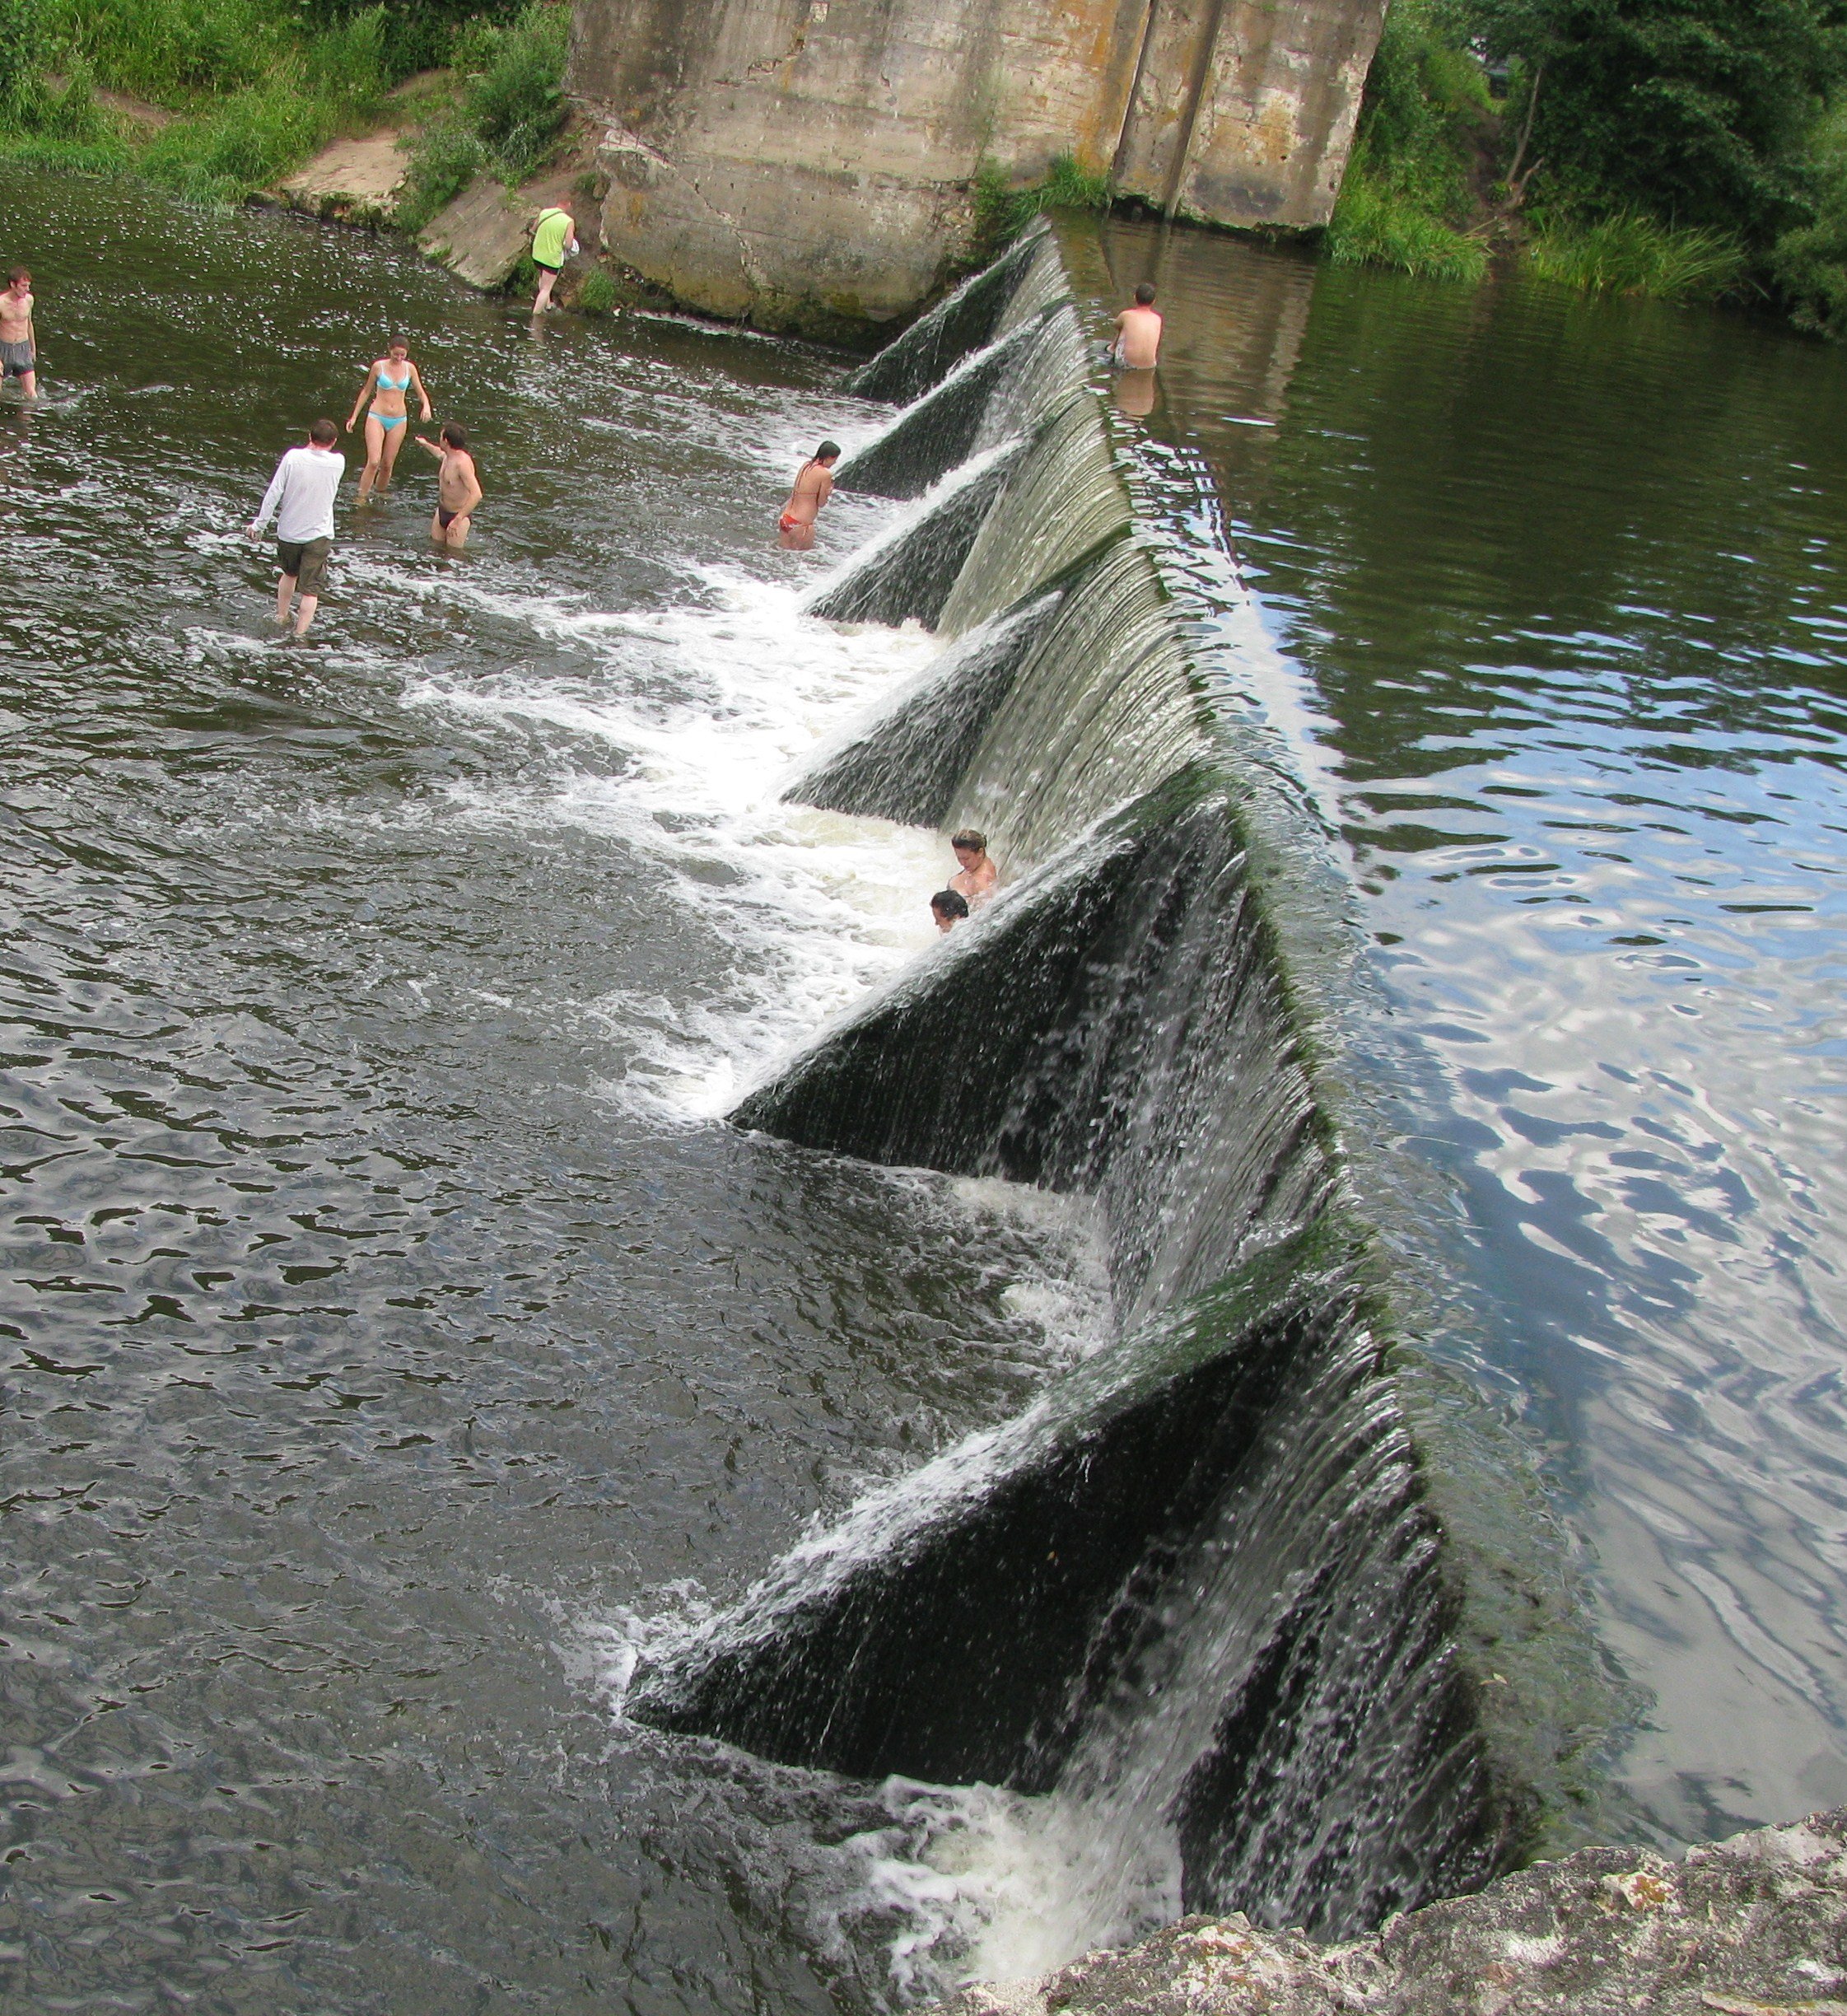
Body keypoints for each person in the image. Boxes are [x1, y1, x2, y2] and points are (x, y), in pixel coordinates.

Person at [247, 418, 346, 637]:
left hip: (289, 533)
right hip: (319, 535)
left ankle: (281, 616)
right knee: (310, 590)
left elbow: (274, 493)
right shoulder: (339, 462)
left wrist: (259, 524)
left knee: (289, 574)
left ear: (310, 437)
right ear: (334, 441)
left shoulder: (293, 458)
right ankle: (300, 635)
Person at [345, 336, 431, 502]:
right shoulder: (379, 367)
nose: (399, 358)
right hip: (377, 416)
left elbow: (421, 392)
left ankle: (379, 495)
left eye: (402, 355)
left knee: (387, 464)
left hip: (399, 419)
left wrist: (426, 406)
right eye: (396, 354)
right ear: (389, 350)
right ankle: (361, 497)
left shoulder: (410, 369)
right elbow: (366, 391)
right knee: (374, 461)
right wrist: (354, 416)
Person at [415, 422, 483, 549]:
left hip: (458, 516)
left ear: (446, 441)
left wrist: (458, 520)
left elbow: (477, 494)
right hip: (442, 511)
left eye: (440, 436)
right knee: (435, 549)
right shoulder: (448, 456)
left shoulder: (462, 464)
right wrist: (424, 444)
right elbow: (438, 453)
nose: (439, 439)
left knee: (452, 556)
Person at [777, 441, 840, 551]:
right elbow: (821, 503)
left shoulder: (806, 465)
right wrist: (828, 492)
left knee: (783, 556)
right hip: (802, 523)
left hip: (785, 518)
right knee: (803, 560)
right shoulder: (826, 474)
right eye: (835, 459)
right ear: (829, 457)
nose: (835, 462)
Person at [531, 203, 578, 314]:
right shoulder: (568, 222)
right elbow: (568, 244)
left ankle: (547, 305)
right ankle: (536, 315)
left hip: (537, 255)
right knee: (546, 289)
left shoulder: (545, 212)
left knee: (543, 278)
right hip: (551, 259)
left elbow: (533, 229)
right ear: (569, 204)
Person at [1, 267, 37, 400]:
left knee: (32, 395)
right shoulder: (1, 303)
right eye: (23, 286)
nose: (27, 289)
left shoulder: (29, 300)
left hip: (23, 347)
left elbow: (29, 324)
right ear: (12, 284)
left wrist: (33, 349)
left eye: (28, 285)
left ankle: (28, 420)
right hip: (3, 349)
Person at [1112, 282, 1163, 369]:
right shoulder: (1158, 319)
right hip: (1150, 365)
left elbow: (1115, 325)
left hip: (1126, 364)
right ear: (1154, 301)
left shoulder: (1127, 315)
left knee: (1123, 329)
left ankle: (1110, 349)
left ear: (1135, 297)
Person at [949, 828, 998, 908]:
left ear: (980, 852)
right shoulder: (980, 864)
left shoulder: (980, 882)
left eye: (966, 859)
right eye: (959, 858)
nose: (962, 863)